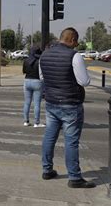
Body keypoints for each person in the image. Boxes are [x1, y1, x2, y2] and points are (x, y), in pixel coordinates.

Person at [39, 27, 95, 188]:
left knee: (49, 137)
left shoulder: (45, 54)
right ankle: (75, 177)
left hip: (51, 103)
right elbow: (84, 81)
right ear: (72, 39)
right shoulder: (74, 56)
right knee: (71, 142)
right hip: (70, 104)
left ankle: (47, 169)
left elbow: (43, 78)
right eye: (76, 42)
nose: (76, 45)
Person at [22, 45, 44, 128]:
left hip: (27, 81)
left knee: (27, 102)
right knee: (37, 104)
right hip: (37, 82)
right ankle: (36, 122)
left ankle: (26, 121)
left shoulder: (26, 60)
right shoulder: (39, 61)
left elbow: (24, 71)